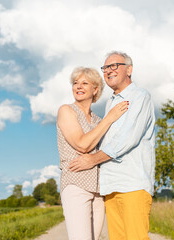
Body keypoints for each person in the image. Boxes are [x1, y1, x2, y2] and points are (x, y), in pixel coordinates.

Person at [69, 51, 156, 240]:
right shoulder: (110, 103)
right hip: (111, 185)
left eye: (114, 66)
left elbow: (127, 138)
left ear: (129, 69)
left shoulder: (140, 96)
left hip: (132, 183)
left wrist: (92, 160)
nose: (108, 71)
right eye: (105, 67)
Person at [57, 66, 128, 240]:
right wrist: (110, 118)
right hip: (75, 184)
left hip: (98, 190)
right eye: (75, 83)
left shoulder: (97, 120)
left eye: (84, 83)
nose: (78, 86)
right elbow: (82, 145)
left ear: (95, 89)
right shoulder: (66, 111)